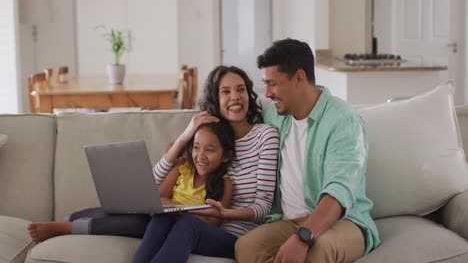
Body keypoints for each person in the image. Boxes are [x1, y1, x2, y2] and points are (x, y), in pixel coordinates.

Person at [234, 38, 381, 263]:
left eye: (272, 83)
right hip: (288, 220)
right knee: (246, 247)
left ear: (299, 78)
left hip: (343, 221)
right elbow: (233, 115)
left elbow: (338, 192)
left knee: (317, 250)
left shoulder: (343, 121)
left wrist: (302, 238)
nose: (267, 93)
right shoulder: (274, 114)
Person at [137, 65, 280, 262]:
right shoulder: (208, 141)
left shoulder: (265, 136)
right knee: (163, 216)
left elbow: (263, 206)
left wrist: (227, 213)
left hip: (239, 236)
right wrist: (184, 137)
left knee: (187, 224)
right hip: (201, 223)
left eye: (241, 89)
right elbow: (150, 190)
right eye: (226, 91)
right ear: (216, 99)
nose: (235, 96)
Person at [133, 120, 235, 262]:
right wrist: (178, 209)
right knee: (162, 217)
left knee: (186, 221)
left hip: (197, 230)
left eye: (210, 150)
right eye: (196, 147)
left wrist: (177, 210)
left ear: (226, 156)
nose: (201, 156)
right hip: (171, 220)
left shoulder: (225, 183)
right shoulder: (183, 166)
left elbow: (214, 221)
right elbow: (157, 199)